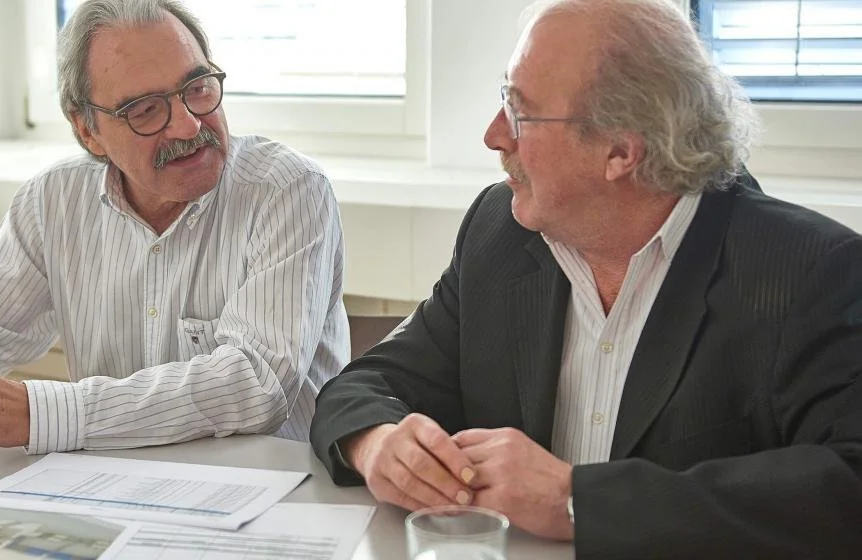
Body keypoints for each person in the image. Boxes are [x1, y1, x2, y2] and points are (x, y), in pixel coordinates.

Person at [310, 0, 862, 557]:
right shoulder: (501, 234)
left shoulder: (809, 272)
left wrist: (577, 501)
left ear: (620, 150)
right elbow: (369, 383)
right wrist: (376, 443)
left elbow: (848, 483)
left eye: (520, 112)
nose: (494, 135)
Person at [0, 0, 349, 454]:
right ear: (88, 130)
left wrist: (37, 413)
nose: (189, 124)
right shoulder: (54, 201)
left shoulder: (286, 189)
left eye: (198, 88)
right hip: (106, 495)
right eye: (146, 110)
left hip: (278, 500)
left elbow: (254, 385)